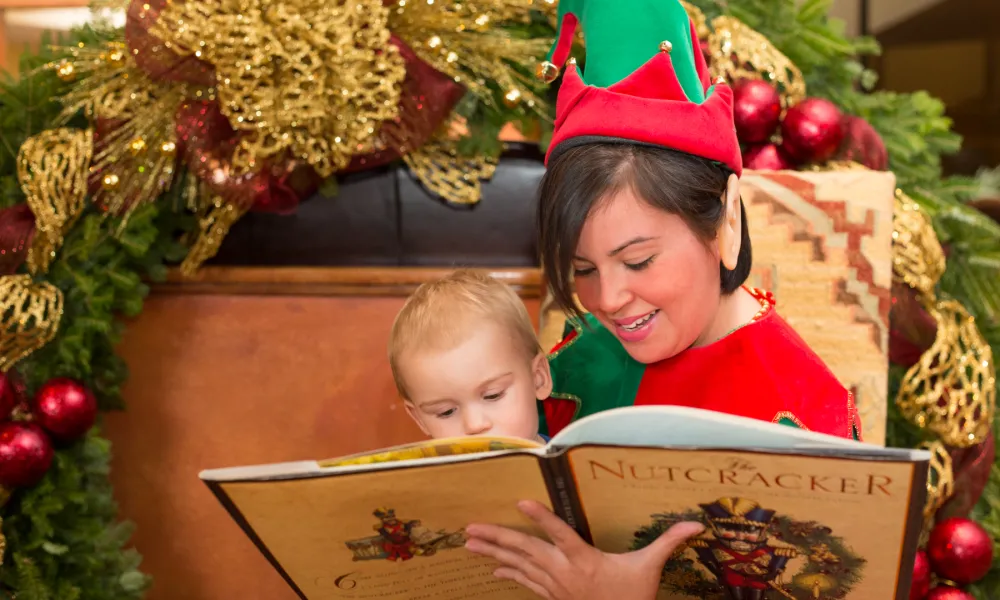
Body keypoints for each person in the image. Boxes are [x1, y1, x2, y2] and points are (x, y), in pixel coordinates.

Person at [465, 1, 860, 598]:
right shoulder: (573, 368)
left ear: (725, 221)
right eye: (582, 269)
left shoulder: (806, 417)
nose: (610, 298)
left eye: (639, 260)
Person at [388, 269, 553, 443]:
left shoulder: (577, 464)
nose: (474, 425)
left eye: (493, 395)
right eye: (446, 412)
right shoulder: (430, 471)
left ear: (538, 378)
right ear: (419, 418)